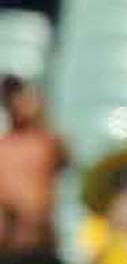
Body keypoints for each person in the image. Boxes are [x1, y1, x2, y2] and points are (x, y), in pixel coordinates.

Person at [0, 75, 68, 264]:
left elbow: (64, 157)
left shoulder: (47, 143)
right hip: (10, 245)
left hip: (42, 244)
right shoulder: (4, 148)